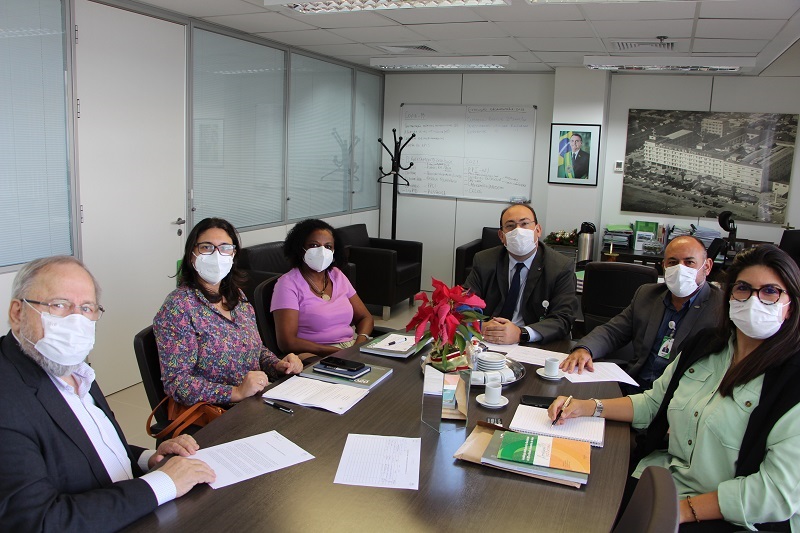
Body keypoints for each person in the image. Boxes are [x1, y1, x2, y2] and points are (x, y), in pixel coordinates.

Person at [549, 245, 800, 530]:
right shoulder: (705, 346)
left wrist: (682, 510)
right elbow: (654, 403)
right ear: (731, 296)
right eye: (743, 288)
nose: (754, 300)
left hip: (731, 515)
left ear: (790, 305)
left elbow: (776, 493)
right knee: (575, 503)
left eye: (770, 291)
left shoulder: (792, 381)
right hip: (665, 480)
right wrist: (586, 407)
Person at [0, 256, 216, 531]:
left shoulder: (73, 368)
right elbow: (38, 522)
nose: (76, 321)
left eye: (86, 308)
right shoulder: (8, 397)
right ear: (17, 312)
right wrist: (162, 483)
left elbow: (89, 448)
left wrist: (148, 460)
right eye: (59, 305)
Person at [154, 217, 304, 408]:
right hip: (216, 411)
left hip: (255, 400)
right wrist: (236, 392)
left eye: (225, 248)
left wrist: (278, 365)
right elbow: (177, 382)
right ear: (191, 255)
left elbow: (255, 350)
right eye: (206, 247)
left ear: (233, 255)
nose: (217, 255)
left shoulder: (237, 296)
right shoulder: (179, 307)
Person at [561, 235, 724, 392]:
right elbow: (613, 332)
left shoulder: (721, 307)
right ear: (664, 266)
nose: (680, 269)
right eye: (673, 262)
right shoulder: (647, 294)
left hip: (678, 397)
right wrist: (585, 348)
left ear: (707, 266)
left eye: (689, 262)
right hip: (635, 386)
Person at [464, 203, 578, 345]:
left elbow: (563, 319)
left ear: (538, 230)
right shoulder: (484, 260)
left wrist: (521, 333)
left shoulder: (560, 267)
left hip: (534, 342)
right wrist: (480, 325)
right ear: (501, 236)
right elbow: (464, 304)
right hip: (490, 339)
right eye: (510, 226)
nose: (518, 230)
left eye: (524, 224)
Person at [272, 219, 374, 357]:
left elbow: (365, 317)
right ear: (300, 248)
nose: (322, 251)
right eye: (314, 245)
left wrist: (360, 342)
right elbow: (287, 342)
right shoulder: (287, 284)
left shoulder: (337, 275)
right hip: (315, 354)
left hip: (351, 347)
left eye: (328, 246)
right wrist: (338, 352)